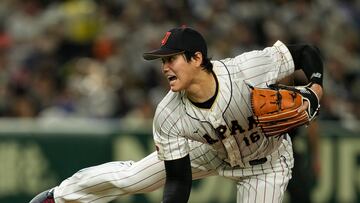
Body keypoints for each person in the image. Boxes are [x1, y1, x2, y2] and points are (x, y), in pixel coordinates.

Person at [30, 26, 324, 203]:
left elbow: (305, 52)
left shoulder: (247, 69)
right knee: (131, 177)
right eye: (162, 60)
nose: (165, 67)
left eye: (171, 59)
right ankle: (59, 197)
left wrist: (316, 86)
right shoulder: (169, 113)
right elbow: (178, 180)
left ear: (197, 58)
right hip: (210, 150)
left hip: (267, 163)